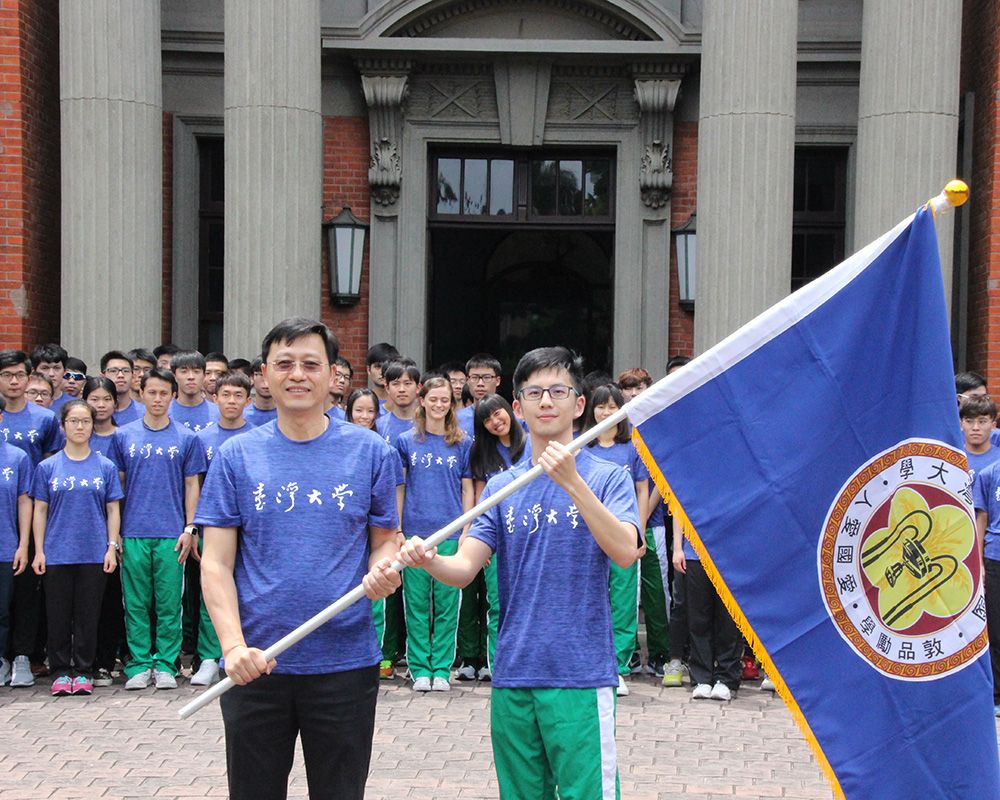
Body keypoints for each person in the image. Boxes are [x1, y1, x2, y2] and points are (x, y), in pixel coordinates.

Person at [398, 346, 640, 797]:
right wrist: (429, 559)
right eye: (534, 392)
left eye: (557, 391)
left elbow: (626, 551)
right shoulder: (502, 486)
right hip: (513, 671)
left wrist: (572, 482)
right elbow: (465, 567)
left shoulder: (607, 477)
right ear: (518, 406)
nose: (546, 401)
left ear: (579, 404)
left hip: (579, 675)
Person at [197, 318, 402, 800]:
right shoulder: (236, 456)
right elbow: (216, 563)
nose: (297, 374)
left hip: (344, 663)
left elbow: (385, 538)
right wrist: (232, 649)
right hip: (256, 663)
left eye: (311, 364)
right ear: (263, 374)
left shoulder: (370, 451)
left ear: (334, 375)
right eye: (284, 363)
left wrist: (383, 567)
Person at [111, 366, 206, 690]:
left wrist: (190, 527)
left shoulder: (186, 437)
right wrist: (116, 534)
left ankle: (166, 663)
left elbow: (191, 483)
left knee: (169, 603)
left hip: (171, 533)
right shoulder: (124, 436)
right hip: (134, 531)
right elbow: (117, 487)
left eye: (164, 393)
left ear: (173, 396)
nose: (157, 398)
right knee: (135, 603)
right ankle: (139, 663)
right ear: (141, 394)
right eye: (151, 392)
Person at [30, 400, 123, 696]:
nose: (80, 427)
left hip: (94, 552)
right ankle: (60, 671)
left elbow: (112, 509)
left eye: (85, 421)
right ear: (63, 426)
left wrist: (111, 547)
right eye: (74, 421)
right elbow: (40, 510)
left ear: (93, 426)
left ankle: (83, 670)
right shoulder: (48, 467)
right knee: (57, 614)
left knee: (88, 615)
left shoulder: (105, 466)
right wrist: (40, 550)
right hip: (57, 552)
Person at [396, 376, 473, 692]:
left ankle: (441, 668)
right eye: (434, 399)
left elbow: (468, 488)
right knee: (415, 606)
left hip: (451, 533)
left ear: (451, 404)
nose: (439, 405)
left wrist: (467, 528)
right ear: (422, 399)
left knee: (446, 605)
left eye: (445, 400)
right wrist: (398, 529)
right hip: (414, 533)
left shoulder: (463, 442)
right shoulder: (406, 441)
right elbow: (399, 488)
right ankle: (419, 669)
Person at [0, 349, 63, 688]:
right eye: (6, 375)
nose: (13, 381)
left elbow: (53, 464)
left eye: (19, 375)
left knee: (27, 588)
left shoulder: (44, 418)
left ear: (28, 378)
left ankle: (27, 655)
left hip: (33, 508)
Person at [188, 371, 254, 687]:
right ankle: (207, 657)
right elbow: (194, 486)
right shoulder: (201, 440)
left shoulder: (256, 439)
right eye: (225, 394)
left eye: (238, 395)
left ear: (248, 400)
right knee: (211, 589)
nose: (231, 401)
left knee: (242, 591)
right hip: (212, 526)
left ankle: (236, 652)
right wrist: (194, 527)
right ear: (215, 398)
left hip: (248, 529)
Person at [584, 383, 649, 696]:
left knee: (623, 604)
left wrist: (637, 531)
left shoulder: (632, 447)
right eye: (600, 406)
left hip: (623, 536)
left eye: (612, 406)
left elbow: (643, 492)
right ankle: (593, 664)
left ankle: (618, 667)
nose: (606, 412)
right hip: (588, 538)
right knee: (592, 601)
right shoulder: (582, 448)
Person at [461, 394, 528, 682]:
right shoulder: (481, 452)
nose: (495, 422)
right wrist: (472, 534)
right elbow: (477, 497)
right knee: (496, 602)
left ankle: (523, 661)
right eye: (487, 419)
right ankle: (498, 664)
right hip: (494, 534)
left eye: (497, 413)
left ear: (510, 409)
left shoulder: (531, 441)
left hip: (528, 533)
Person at [347, 387, 405, 680]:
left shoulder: (385, 451)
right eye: (359, 410)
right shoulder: (341, 447)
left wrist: (396, 529)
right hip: (350, 534)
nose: (365, 416)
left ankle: (380, 658)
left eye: (371, 411)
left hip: (378, 533)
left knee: (377, 597)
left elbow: (394, 494)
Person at [84, 376, 126, 686]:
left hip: (116, 526)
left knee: (112, 599)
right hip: (82, 527)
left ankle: (106, 658)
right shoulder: (75, 437)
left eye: (105, 399)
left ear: (115, 403)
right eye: (94, 399)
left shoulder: (123, 438)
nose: (100, 405)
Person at [0, 396, 32, 687]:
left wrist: (23, 544)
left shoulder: (16, 457)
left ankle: (10, 658)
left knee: (6, 606)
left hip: (7, 544)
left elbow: (25, 502)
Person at [169, 350, 221, 432]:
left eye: (196, 371)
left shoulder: (219, 413)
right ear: (174, 375)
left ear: (204, 375)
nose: (191, 377)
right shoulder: (164, 413)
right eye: (184, 371)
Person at [376, 359, 420, 446]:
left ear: (418, 387)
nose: (401, 390)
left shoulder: (428, 425)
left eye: (407, 383)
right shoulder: (379, 426)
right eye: (396, 384)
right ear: (387, 388)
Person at [459, 353, 502, 438]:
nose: (480, 384)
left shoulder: (507, 419)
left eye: (487, 377)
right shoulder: (456, 420)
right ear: (467, 381)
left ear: (497, 381)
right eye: (474, 377)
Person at [101, 351, 145, 425]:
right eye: (113, 371)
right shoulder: (91, 412)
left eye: (126, 371)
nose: (120, 375)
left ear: (133, 375)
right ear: (102, 376)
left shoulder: (145, 413)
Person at [962, 394, 1000, 479]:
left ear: (993, 426)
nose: (975, 428)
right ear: (961, 424)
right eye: (969, 421)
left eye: (982, 421)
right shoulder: (953, 458)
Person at [31, 343, 70, 411]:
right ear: (34, 371)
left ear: (65, 372)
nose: (51, 374)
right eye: (45, 368)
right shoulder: (23, 403)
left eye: (56, 368)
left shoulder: (74, 405)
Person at [366, 342, 400, 416]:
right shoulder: (361, 402)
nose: (382, 372)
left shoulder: (404, 403)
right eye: (378, 367)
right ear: (369, 370)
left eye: (386, 367)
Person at [244, 357, 277, 427]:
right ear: (252, 378)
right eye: (261, 375)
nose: (266, 381)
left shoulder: (288, 416)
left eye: (270, 375)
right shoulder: (241, 416)